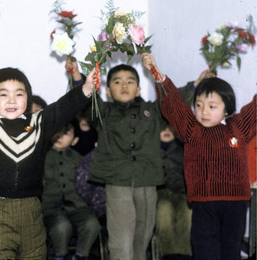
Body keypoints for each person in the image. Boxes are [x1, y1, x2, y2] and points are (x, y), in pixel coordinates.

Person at [0, 52, 96, 259]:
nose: (12, 100)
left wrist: (87, 88)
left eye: (19, 94)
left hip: (32, 208)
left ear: (27, 99)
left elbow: (64, 107)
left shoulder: (39, 122)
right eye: (3, 94)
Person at [79, 61, 200, 260]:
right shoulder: (104, 112)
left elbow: (172, 102)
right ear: (108, 91)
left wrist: (194, 84)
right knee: (121, 244)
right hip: (118, 185)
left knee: (141, 241)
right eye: (118, 82)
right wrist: (77, 77)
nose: (124, 86)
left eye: (130, 82)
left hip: (147, 183)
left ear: (138, 89)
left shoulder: (151, 111)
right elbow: (85, 100)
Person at [142, 53, 255, 260]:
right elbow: (173, 104)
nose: (203, 111)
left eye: (212, 106)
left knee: (231, 251)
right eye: (199, 105)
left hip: (236, 203)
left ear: (227, 109)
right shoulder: (191, 130)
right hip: (204, 203)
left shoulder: (238, 127)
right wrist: (158, 75)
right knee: (205, 250)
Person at [42, 122, 101, 260]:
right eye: (58, 132)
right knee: (61, 226)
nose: (60, 136)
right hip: (51, 207)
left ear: (75, 140)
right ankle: (60, 255)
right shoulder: (42, 157)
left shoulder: (79, 159)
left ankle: (81, 255)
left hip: (77, 206)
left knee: (92, 224)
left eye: (67, 133)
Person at [156, 125, 192, 260]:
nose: (166, 132)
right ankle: (169, 254)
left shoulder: (183, 148)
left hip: (182, 192)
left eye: (170, 129)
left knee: (187, 212)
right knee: (164, 211)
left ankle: (184, 253)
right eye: (163, 129)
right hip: (160, 192)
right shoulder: (151, 149)